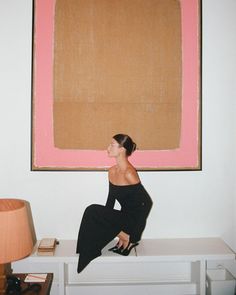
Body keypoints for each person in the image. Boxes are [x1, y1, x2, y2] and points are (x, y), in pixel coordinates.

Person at [76, 134, 153, 273]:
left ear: (122, 149)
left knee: (91, 210)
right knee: (92, 213)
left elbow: (147, 203)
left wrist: (135, 234)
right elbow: (111, 199)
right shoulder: (112, 171)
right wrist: (105, 222)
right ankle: (86, 252)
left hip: (132, 221)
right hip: (122, 216)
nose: (108, 148)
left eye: (112, 145)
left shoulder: (129, 173)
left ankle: (126, 237)